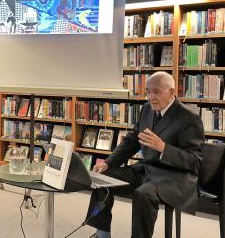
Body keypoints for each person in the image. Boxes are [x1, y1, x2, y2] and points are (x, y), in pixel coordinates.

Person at [86, 71, 204, 238]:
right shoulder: (147, 109)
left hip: (172, 177)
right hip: (146, 169)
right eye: (148, 91)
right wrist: (108, 163)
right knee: (103, 179)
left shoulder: (189, 118)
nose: (150, 97)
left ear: (171, 92)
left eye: (156, 91)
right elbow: (132, 140)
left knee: (143, 194)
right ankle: (102, 234)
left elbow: (195, 162)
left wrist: (164, 148)